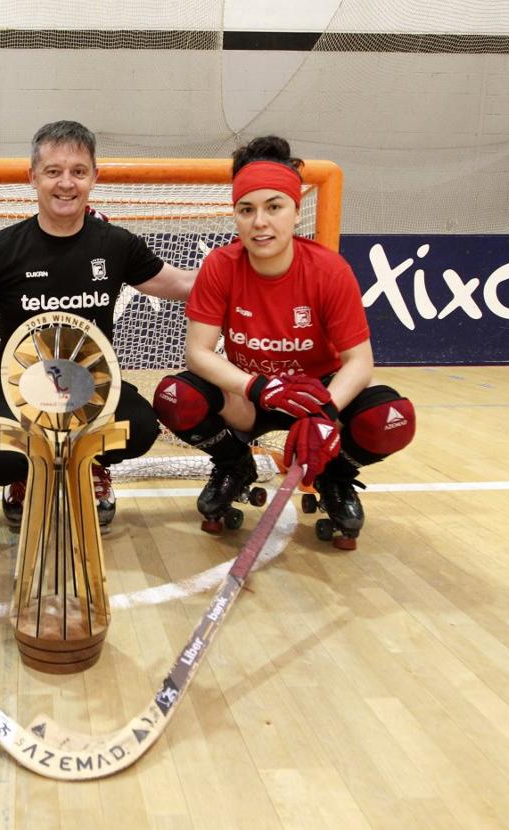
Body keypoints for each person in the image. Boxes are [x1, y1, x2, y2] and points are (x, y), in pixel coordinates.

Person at [0, 120, 195, 529]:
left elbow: (181, 284)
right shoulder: (1, 250)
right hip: (20, 393)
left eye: (78, 172)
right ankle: (23, 473)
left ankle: (92, 466)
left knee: (139, 426)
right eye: (53, 171)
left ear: (94, 178)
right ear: (32, 177)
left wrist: (252, 274)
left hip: (95, 389)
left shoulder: (116, 244)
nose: (66, 183)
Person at [151, 135, 416, 546]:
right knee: (174, 396)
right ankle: (234, 465)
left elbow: (360, 362)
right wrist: (257, 385)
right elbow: (198, 353)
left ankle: (335, 477)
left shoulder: (329, 270)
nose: (260, 222)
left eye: (274, 207)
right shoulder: (221, 266)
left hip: (314, 397)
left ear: (295, 211)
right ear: (235, 216)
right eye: (247, 210)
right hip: (250, 395)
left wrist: (326, 411)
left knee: (392, 418)